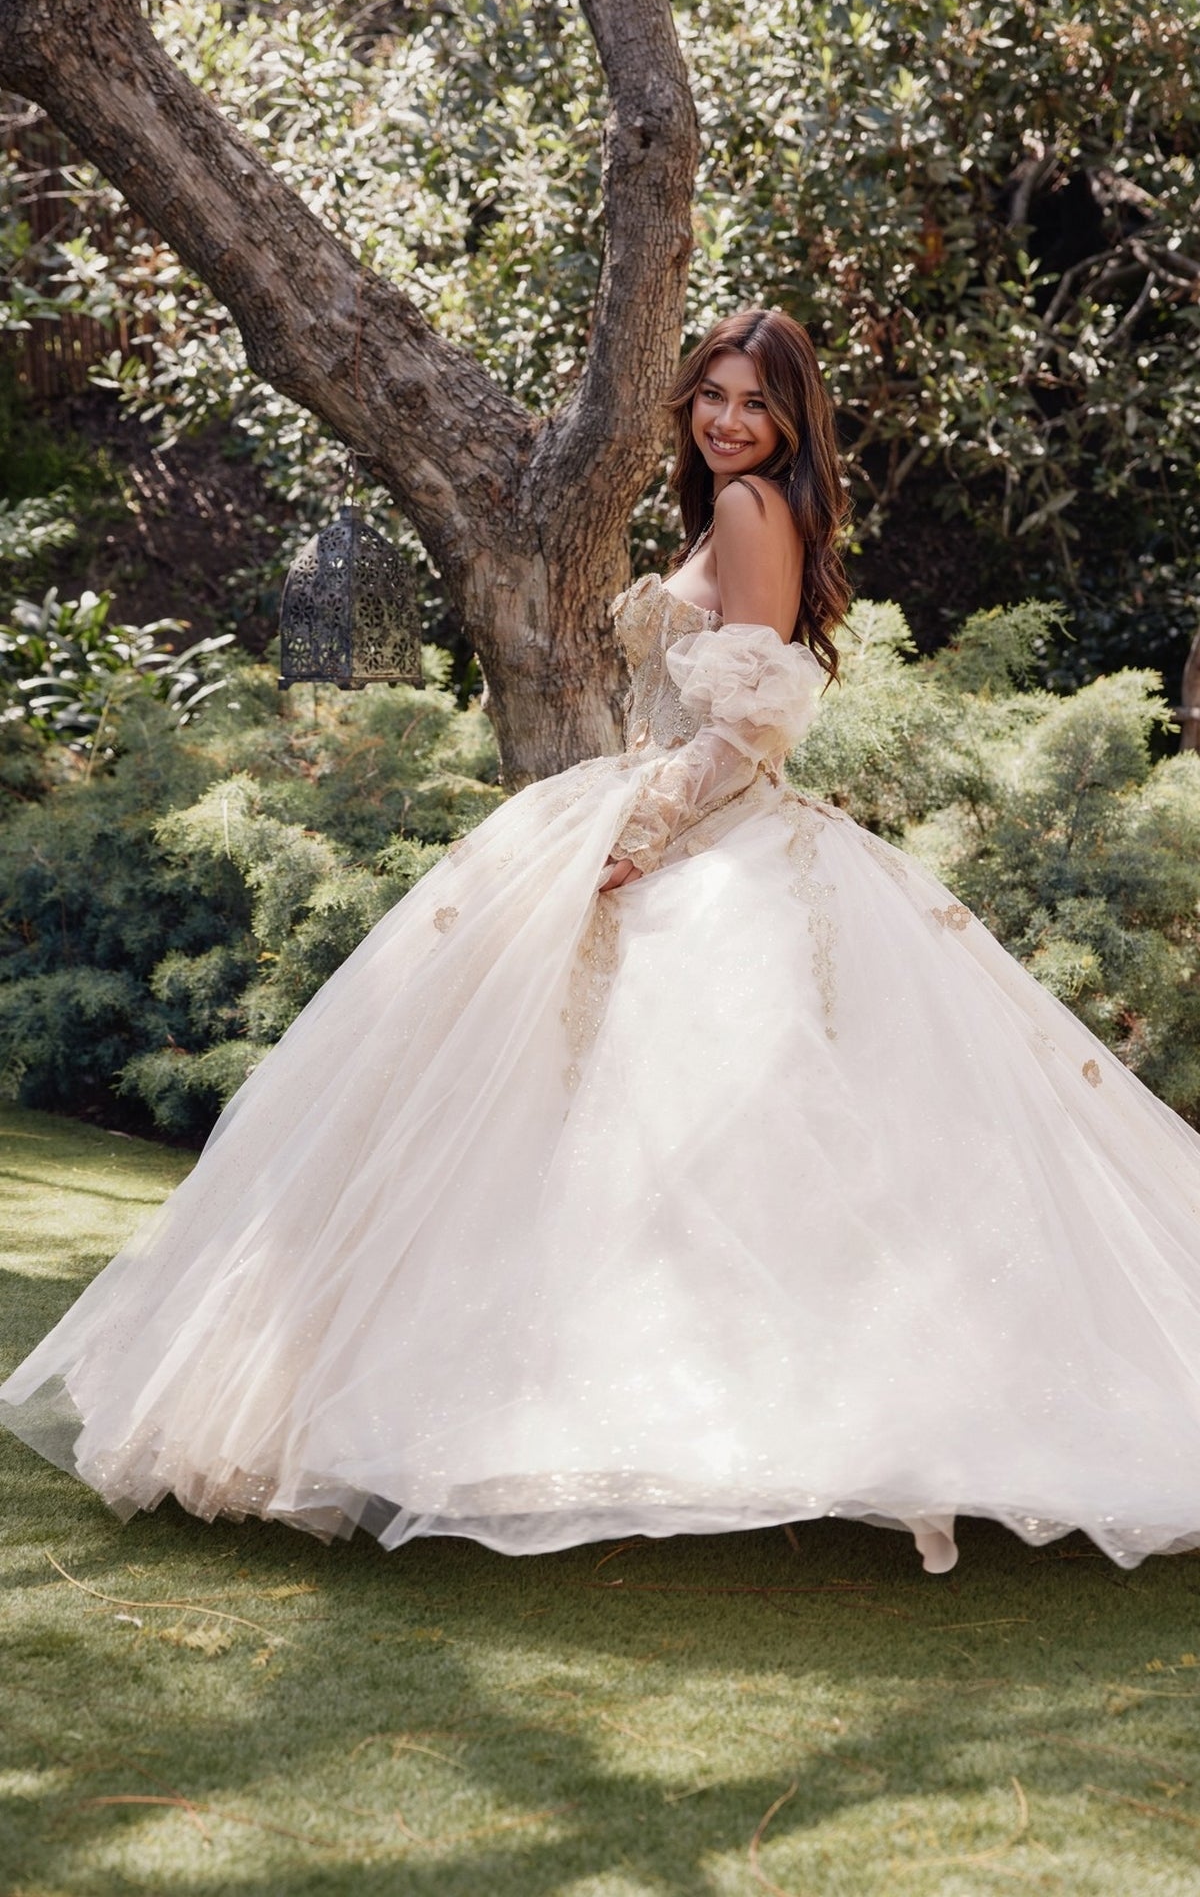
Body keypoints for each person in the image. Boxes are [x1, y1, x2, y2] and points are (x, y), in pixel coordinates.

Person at [4, 307, 1200, 1579]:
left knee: (665, 1136)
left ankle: (683, 1421)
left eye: (756, 401)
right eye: (712, 396)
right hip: (673, 815)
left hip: (699, 835)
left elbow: (753, 723)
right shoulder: (734, 509)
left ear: (794, 418)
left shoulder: (750, 514)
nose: (729, 419)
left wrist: (640, 838)